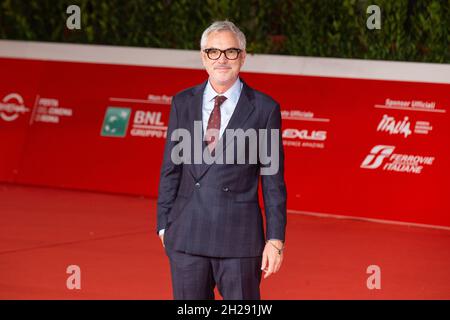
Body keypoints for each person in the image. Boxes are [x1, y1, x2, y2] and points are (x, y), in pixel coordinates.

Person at [156, 20, 287, 300]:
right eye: (214, 52)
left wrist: (275, 239)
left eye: (230, 51)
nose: (222, 59)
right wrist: (164, 225)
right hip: (186, 237)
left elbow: (273, 179)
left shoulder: (264, 109)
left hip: (239, 241)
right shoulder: (183, 102)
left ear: (243, 56)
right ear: (203, 57)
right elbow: (171, 168)